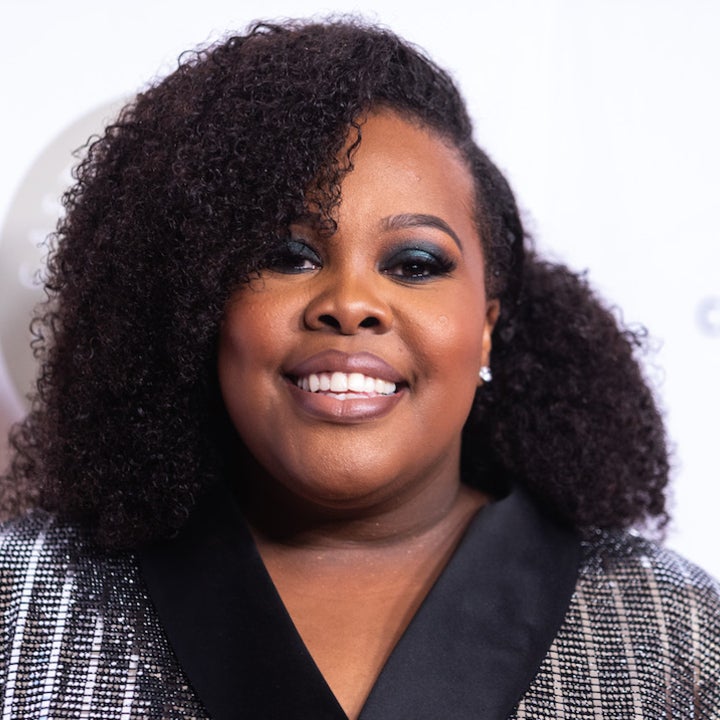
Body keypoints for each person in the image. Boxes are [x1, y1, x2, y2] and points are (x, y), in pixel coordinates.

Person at [0, 18, 718, 720]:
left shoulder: (670, 628)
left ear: (486, 331)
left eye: (415, 264)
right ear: (201, 304)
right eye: (289, 256)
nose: (349, 304)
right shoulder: (24, 598)